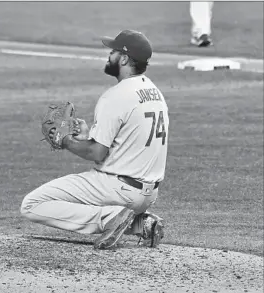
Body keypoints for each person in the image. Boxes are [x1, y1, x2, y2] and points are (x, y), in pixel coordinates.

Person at [21, 30, 169, 250]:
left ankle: (109, 218)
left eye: (114, 51)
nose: (109, 54)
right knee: (108, 190)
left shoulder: (116, 95)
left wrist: (66, 141)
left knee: (32, 204)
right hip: (147, 193)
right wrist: (89, 136)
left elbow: (96, 154)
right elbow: (126, 141)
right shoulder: (154, 92)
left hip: (118, 188)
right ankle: (142, 224)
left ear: (125, 59)